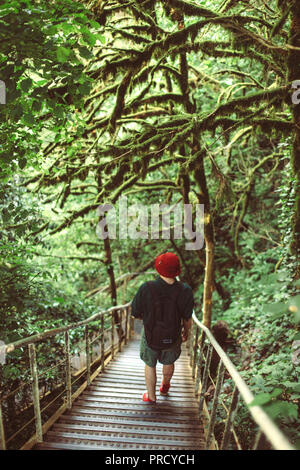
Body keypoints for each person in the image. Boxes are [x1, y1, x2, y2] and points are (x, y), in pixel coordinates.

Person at [131, 252, 194, 403]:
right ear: (177, 270)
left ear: (158, 268)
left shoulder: (146, 288)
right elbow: (187, 317)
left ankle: (151, 397)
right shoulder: (185, 290)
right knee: (169, 361)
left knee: (150, 364)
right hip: (173, 334)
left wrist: (146, 319)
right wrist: (187, 332)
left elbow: (135, 313)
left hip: (151, 333)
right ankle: (165, 386)